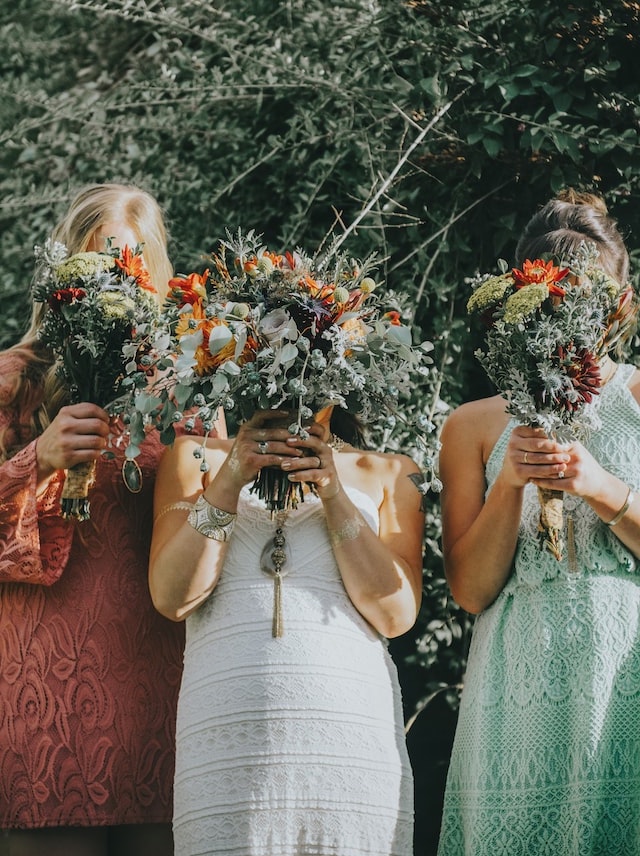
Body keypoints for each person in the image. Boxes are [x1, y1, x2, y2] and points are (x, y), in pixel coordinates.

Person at [0, 183, 219, 856]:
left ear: (153, 272)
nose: (111, 285)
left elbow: (215, 517)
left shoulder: (187, 386)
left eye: (128, 266)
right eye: (96, 265)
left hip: (161, 663)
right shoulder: (14, 378)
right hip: (43, 672)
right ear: (65, 271)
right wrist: (37, 458)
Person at [436, 190, 640, 855]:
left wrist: (602, 487)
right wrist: (512, 485)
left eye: (594, 299)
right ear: (527, 296)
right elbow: (468, 591)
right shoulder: (472, 426)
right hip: (516, 673)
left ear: (620, 300)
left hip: (623, 666)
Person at [148, 405, 425, 855]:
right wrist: (233, 476)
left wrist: (333, 492)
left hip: (349, 741)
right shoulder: (193, 457)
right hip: (227, 740)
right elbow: (172, 596)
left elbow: (395, 614)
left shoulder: (389, 471)